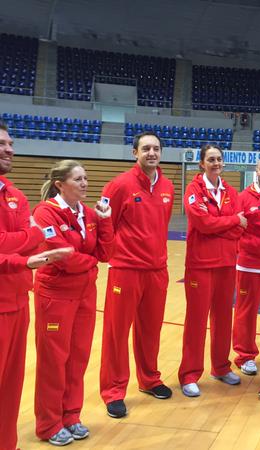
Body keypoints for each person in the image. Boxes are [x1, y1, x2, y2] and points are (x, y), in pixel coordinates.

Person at [0, 121, 72, 450]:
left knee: (10, 388)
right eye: (2, 144)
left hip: (18, 302)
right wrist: (21, 250)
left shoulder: (14, 194)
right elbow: (25, 243)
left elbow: (33, 239)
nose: (9, 149)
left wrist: (16, 244)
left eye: (10, 143)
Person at [32, 160, 114, 446]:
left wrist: (104, 220)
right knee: (54, 361)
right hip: (55, 295)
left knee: (78, 358)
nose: (85, 183)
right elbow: (62, 257)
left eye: (86, 178)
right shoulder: (44, 213)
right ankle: (48, 423)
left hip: (84, 294)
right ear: (60, 184)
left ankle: (71, 416)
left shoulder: (89, 214)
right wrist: (90, 263)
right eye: (78, 179)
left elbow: (106, 252)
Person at [99, 131, 175, 419]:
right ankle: (113, 391)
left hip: (157, 271)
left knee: (150, 330)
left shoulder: (167, 185)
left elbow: (161, 226)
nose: (151, 153)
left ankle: (149, 379)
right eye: (146, 149)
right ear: (135, 153)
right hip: (126, 270)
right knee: (117, 333)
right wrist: (114, 254)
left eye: (156, 148)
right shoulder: (119, 185)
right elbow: (105, 222)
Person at [178, 144, 244, 395]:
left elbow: (241, 227)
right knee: (196, 321)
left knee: (223, 319)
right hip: (200, 265)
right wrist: (232, 221)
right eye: (211, 159)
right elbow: (203, 224)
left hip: (227, 263)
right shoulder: (194, 189)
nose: (216, 163)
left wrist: (228, 224)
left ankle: (220, 366)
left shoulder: (230, 191)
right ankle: (189, 374)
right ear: (202, 164)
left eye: (219, 159)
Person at [232, 157, 260, 376]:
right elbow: (236, 230)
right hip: (250, 266)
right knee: (246, 314)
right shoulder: (242, 198)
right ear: (256, 172)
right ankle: (245, 355)